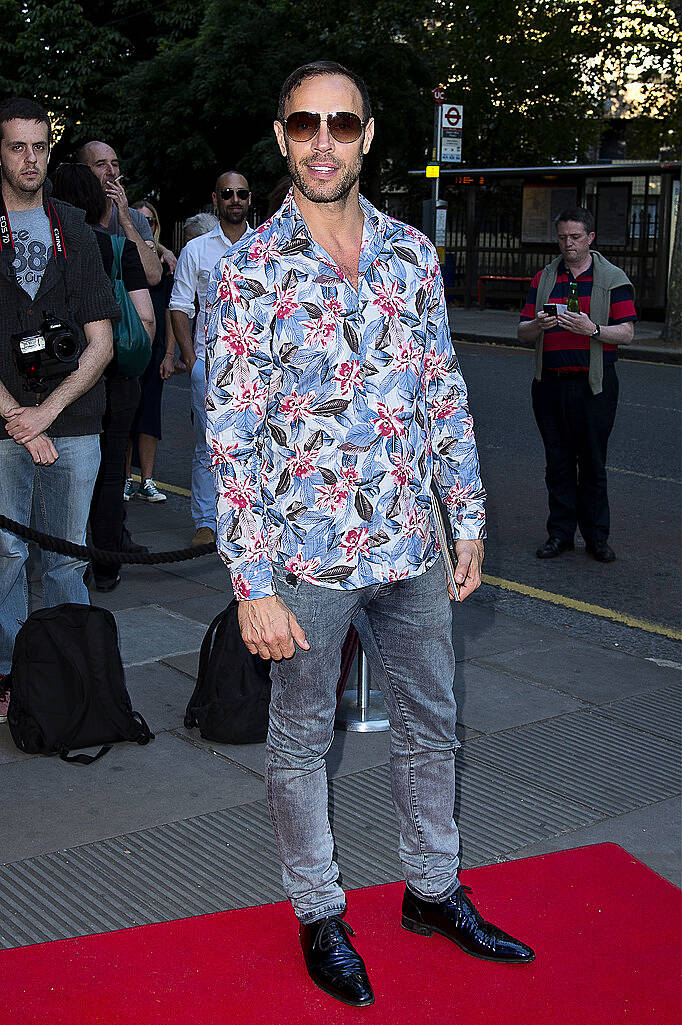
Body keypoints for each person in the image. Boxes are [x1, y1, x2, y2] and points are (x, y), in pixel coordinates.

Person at [205, 62, 534, 1008]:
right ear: (279, 137)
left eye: (340, 124)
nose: (322, 140)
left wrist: (464, 517)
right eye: (304, 123)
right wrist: (251, 580)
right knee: (301, 738)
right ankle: (319, 912)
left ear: (368, 136)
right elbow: (229, 433)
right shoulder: (250, 270)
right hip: (305, 559)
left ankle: (432, 891)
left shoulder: (409, 256)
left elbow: (442, 396)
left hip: (412, 546)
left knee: (433, 724)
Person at [0, 100, 119, 720]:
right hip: (4, 426)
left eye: (40, 147)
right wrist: (20, 419)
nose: (30, 160)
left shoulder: (72, 224)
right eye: (17, 147)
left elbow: (100, 341)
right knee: (8, 556)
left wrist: (45, 414)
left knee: (68, 557)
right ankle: (9, 675)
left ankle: (75, 678)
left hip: (70, 421)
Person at [51, 163, 155, 592]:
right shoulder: (115, 247)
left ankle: (58, 559)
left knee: (59, 472)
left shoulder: (48, 249)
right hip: (116, 380)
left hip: (59, 378)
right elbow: (145, 318)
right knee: (112, 474)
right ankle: (107, 566)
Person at [519, 207, 637, 563]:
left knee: (592, 463)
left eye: (575, 237)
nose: (568, 244)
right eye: (562, 237)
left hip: (593, 387)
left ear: (590, 238)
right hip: (550, 385)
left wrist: (594, 330)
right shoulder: (543, 279)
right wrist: (539, 325)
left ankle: (597, 539)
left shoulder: (613, 278)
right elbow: (522, 332)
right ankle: (560, 536)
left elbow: (628, 332)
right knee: (557, 463)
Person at [169, 171, 254, 547]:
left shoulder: (266, 244)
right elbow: (179, 307)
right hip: (210, 364)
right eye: (227, 194)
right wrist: (191, 360)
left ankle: (252, 521)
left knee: (257, 443)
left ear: (250, 199)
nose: (235, 199)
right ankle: (206, 521)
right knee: (209, 446)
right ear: (216, 200)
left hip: (258, 364)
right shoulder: (197, 250)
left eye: (241, 194)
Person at [124, 199, 179, 504]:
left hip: (156, 348)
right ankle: (124, 479)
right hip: (130, 344)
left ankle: (147, 479)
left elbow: (174, 310)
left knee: (150, 416)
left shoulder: (166, 265)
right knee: (126, 414)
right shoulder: (126, 255)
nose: (148, 227)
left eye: (152, 222)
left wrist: (170, 354)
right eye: (141, 220)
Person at [77, 140, 167, 286]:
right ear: (84, 172)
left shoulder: (136, 218)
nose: (111, 172)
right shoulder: (75, 217)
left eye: (115, 164)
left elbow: (154, 276)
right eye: (101, 164)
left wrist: (126, 222)